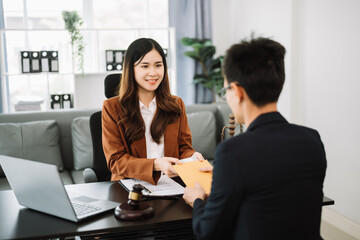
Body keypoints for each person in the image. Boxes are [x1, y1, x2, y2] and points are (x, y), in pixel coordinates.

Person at [183, 37, 327, 240]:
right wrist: (226, 174)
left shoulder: (233, 152)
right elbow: (273, 178)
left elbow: (207, 232)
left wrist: (196, 200)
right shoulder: (312, 140)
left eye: (226, 91)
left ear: (238, 91)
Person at [102, 38, 204, 185]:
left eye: (158, 65)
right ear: (131, 69)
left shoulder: (176, 104)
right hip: (131, 187)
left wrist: (193, 156)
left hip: (170, 185)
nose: (153, 72)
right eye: (144, 66)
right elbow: (116, 161)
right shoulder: (112, 108)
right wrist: (155, 164)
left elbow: (184, 148)